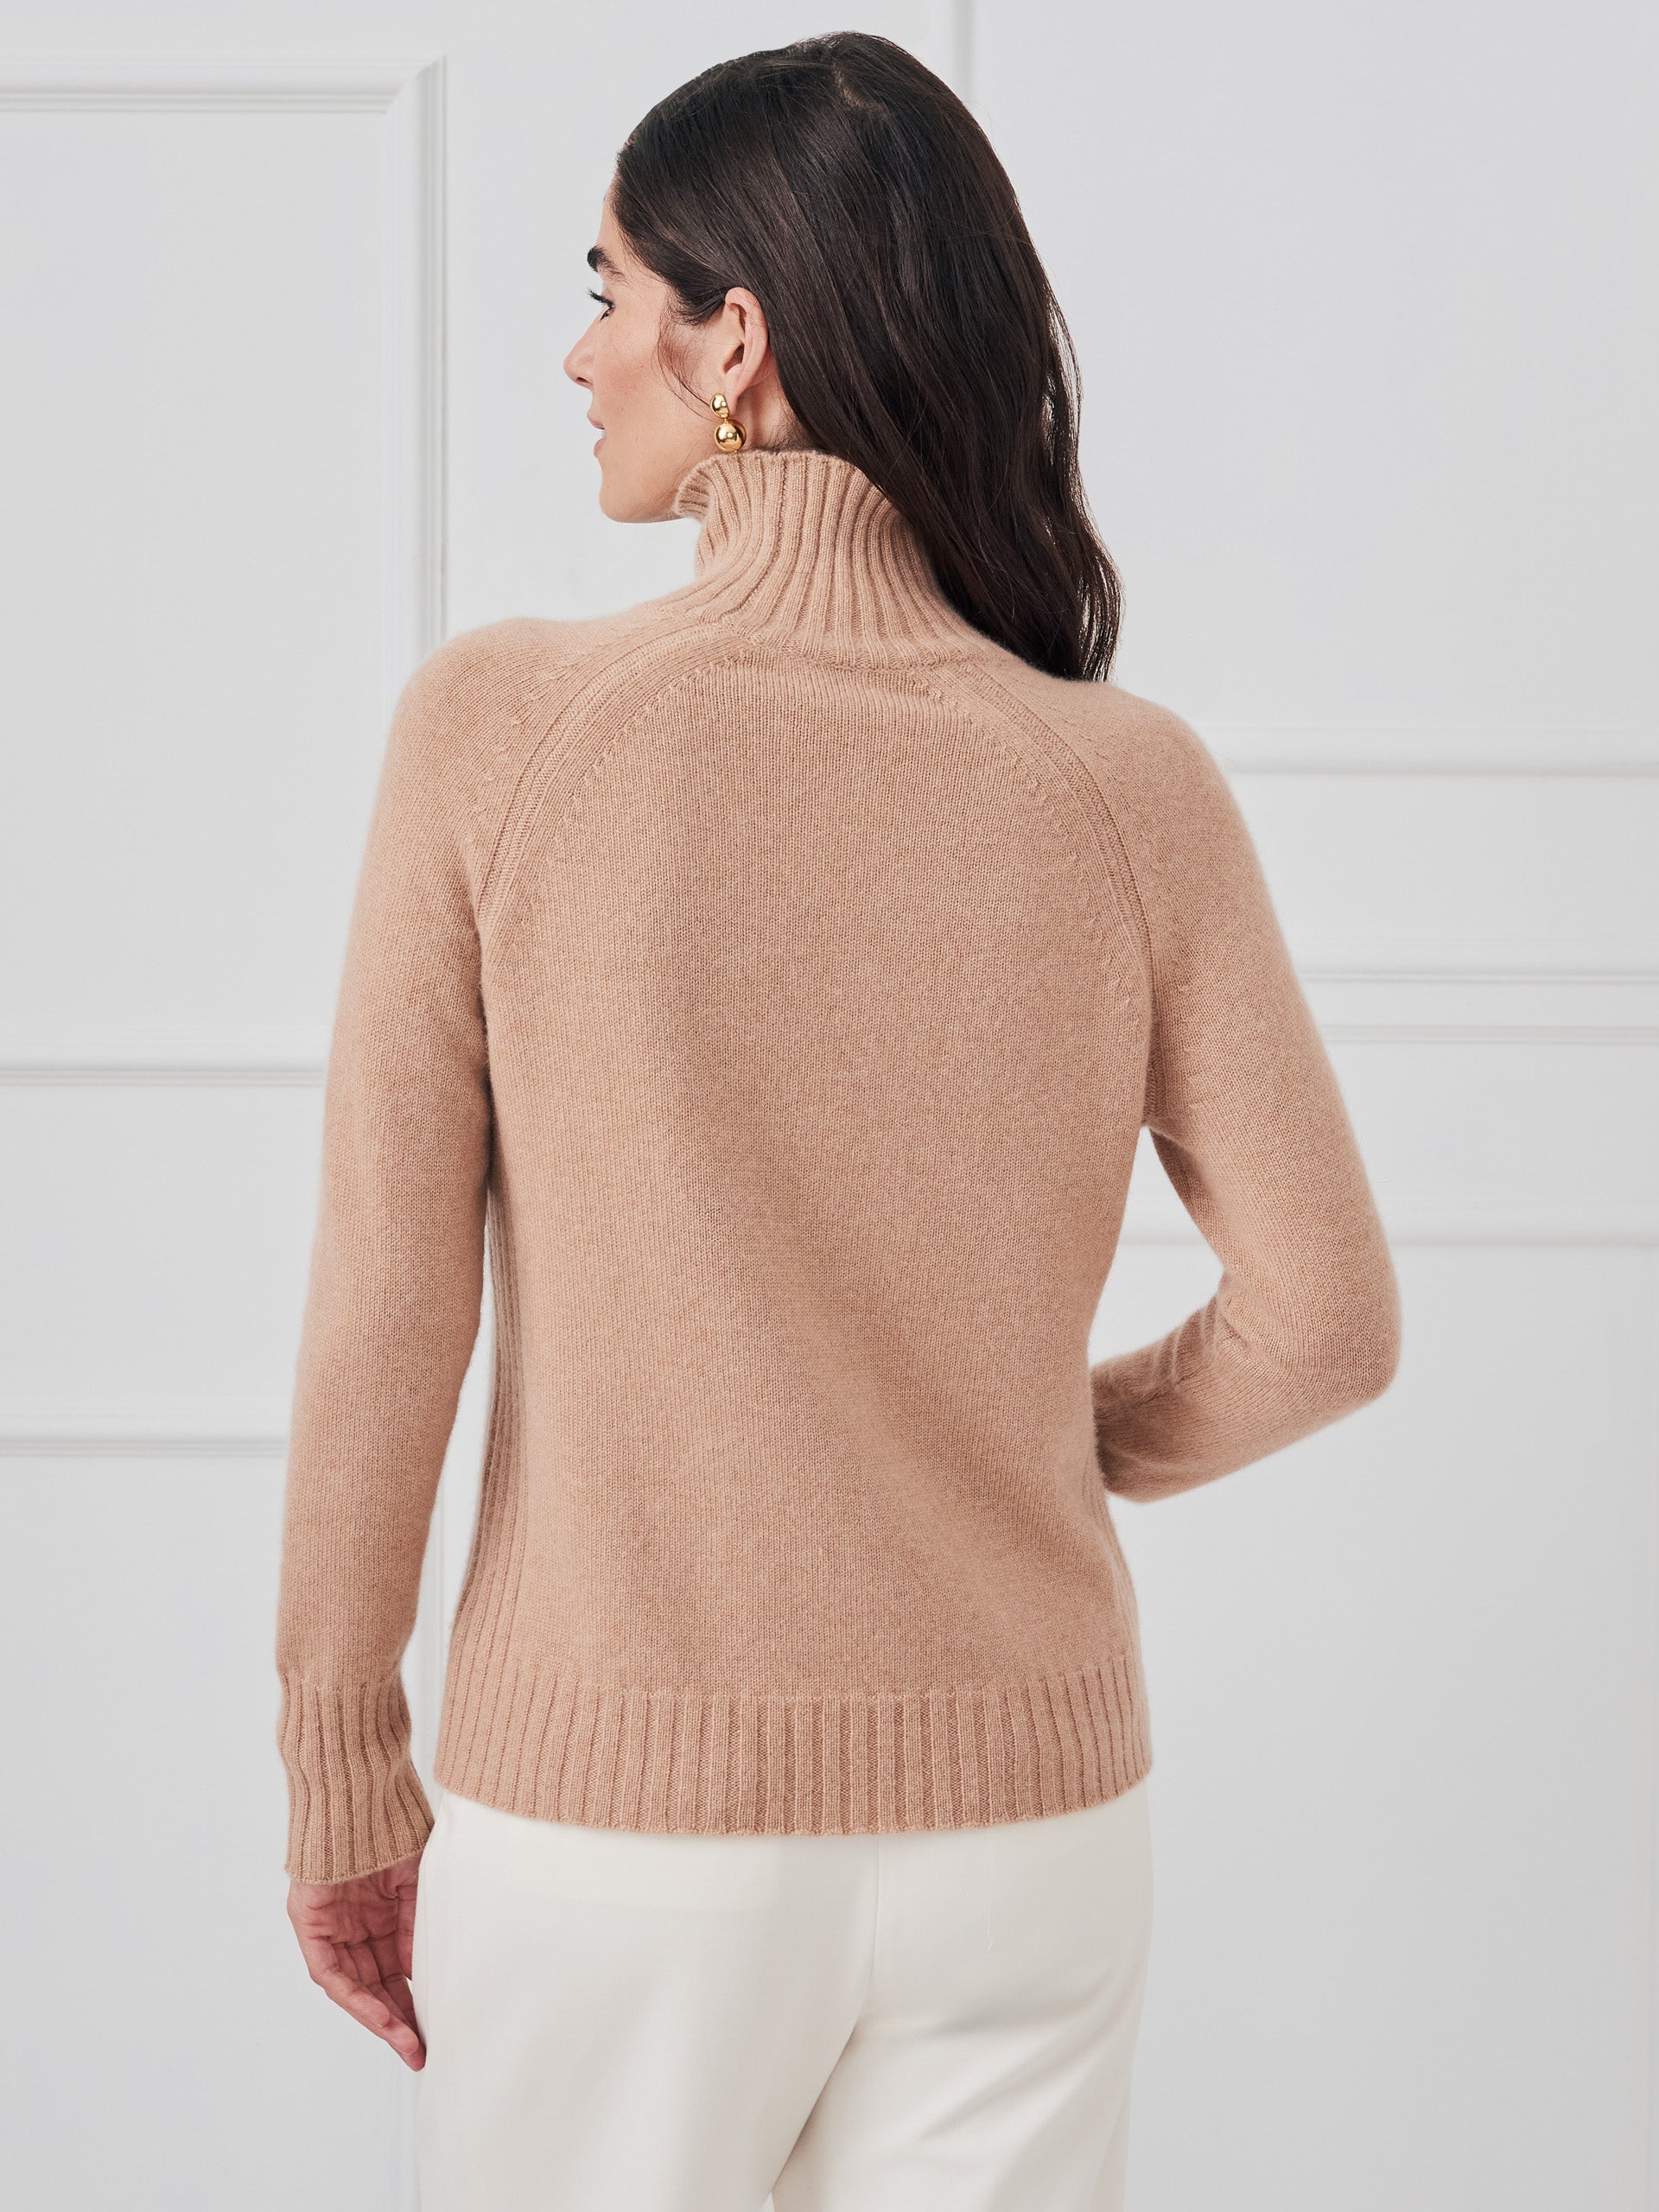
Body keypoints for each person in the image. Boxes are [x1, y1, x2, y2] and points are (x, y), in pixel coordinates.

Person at [275, 30, 1401, 2212]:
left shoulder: (501, 729)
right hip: (1029, 1840)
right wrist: (1023, 1434)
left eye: (607, 291)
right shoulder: (1127, 779)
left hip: (624, 1830)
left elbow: (390, 1301)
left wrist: (342, 1765)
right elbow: (1329, 1318)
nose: (577, 352)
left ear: (738, 343)